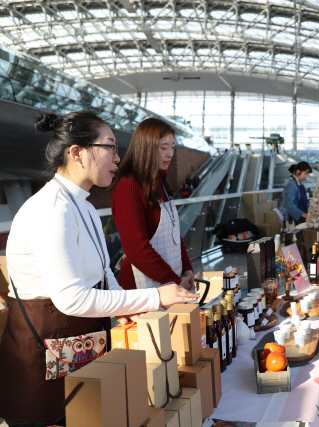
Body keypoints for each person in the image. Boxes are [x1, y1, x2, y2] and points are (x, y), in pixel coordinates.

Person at [0, 111, 197, 426]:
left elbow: (106, 279)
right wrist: (154, 297)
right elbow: (71, 298)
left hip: (80, 351)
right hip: (42, 361)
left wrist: (126, 307)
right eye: (109, 148)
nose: (118, 158)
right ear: (77, 153)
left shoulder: (86, 208)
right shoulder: (51, 210)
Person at [110, 118, 195, 291]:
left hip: (168, 284)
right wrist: (174, 281)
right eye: (163, 148)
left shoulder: (161, 184)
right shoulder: (129, 186)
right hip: (140, 289)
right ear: (146, 148)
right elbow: (137, 250)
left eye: (172, 147)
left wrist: (187, 270)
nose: (170, 153)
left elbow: (174, 235)